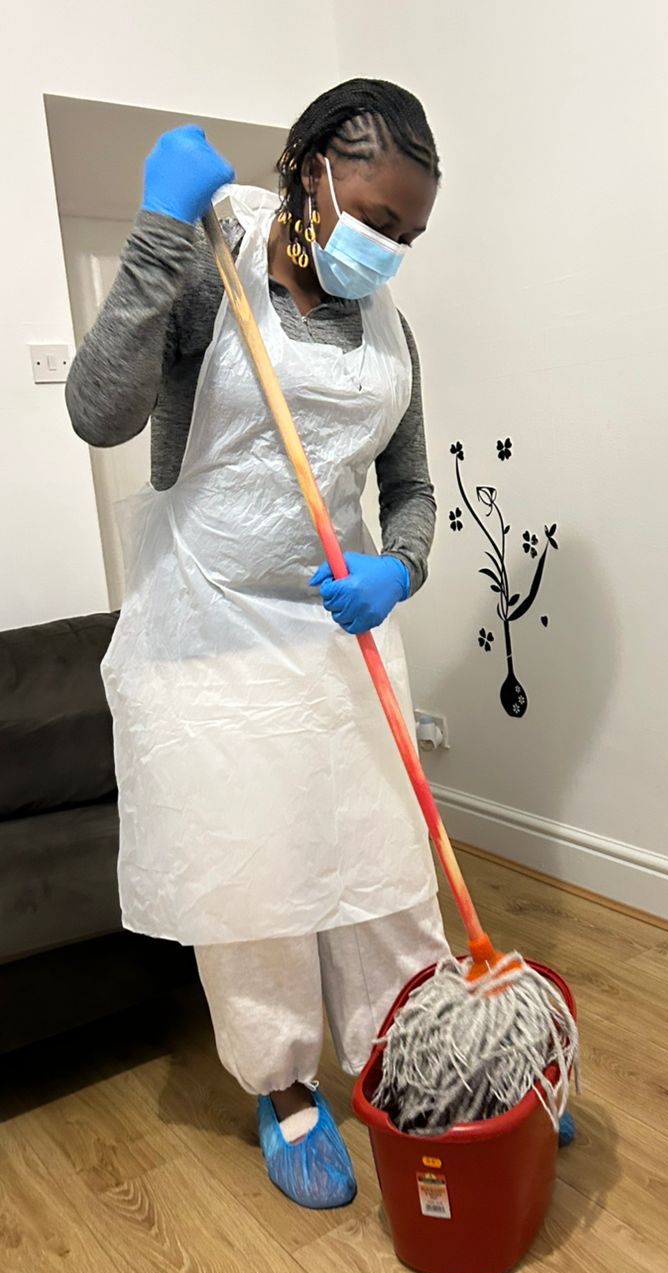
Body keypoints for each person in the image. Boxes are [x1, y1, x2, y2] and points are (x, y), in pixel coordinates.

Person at [66, 79, 453, 1210]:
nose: (392, 250)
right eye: (379, 219)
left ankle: (419, 1056)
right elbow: (99, 411)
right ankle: (285, 1086)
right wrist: (150, 230)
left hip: (337, 626)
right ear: (309, 172)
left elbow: (412, 483)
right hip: (209, 628)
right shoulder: (205, 259)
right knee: (258, 878)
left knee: (387, 867)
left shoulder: (389, 322)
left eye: (411, 234)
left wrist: (402, 566)